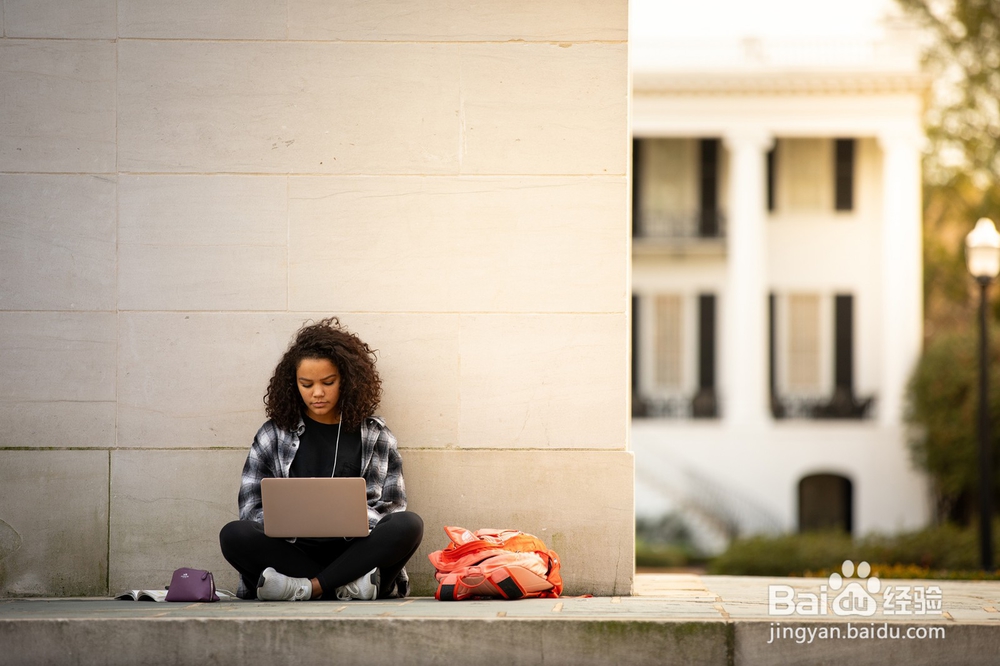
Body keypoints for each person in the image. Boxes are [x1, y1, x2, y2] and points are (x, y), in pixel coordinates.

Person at [219, 317, 423, 601]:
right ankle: (343, 586)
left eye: (328, 382)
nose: (317, 393)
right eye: (306, 384)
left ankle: (308, 589)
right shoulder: (272, 435)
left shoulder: (375, 435)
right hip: (292, 552)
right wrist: (290, 521)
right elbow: (251, 509)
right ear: (293, 385)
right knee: (234, 534)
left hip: (356, 552)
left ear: (347, 381)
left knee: (409, 525)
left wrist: (351, 520)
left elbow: (392, 509)